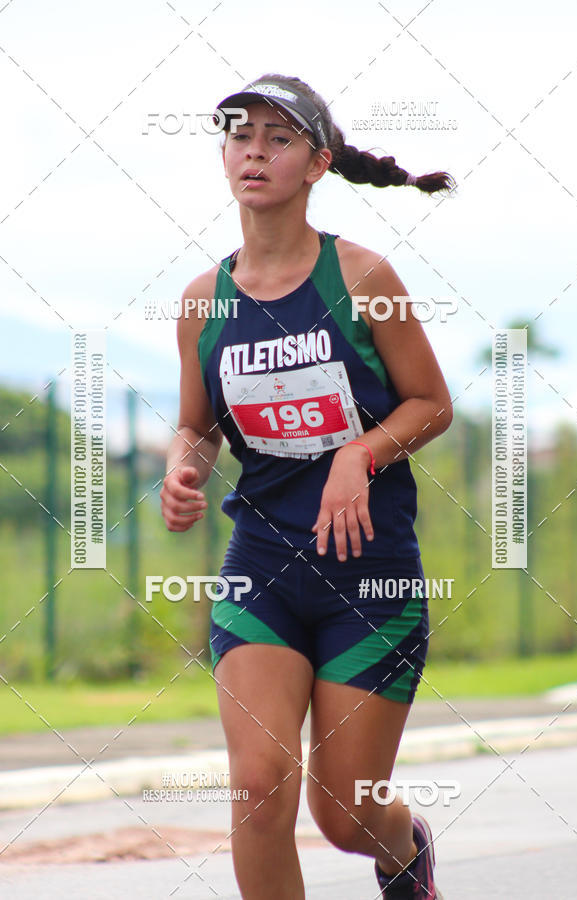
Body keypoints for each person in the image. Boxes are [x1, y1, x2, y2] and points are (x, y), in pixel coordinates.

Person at [160, 73, 455, 900]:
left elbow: (432, 405)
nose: (254, 151)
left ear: (318, 163)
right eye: (239, 135)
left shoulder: (363, 278)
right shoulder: (201, 302)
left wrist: (359, 454)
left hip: (369, 574)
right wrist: (182, 468)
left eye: (278, 138)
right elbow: (197, 424)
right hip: (262, 567)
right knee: (258, 791)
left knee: (345, 818)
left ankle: (403, 848)